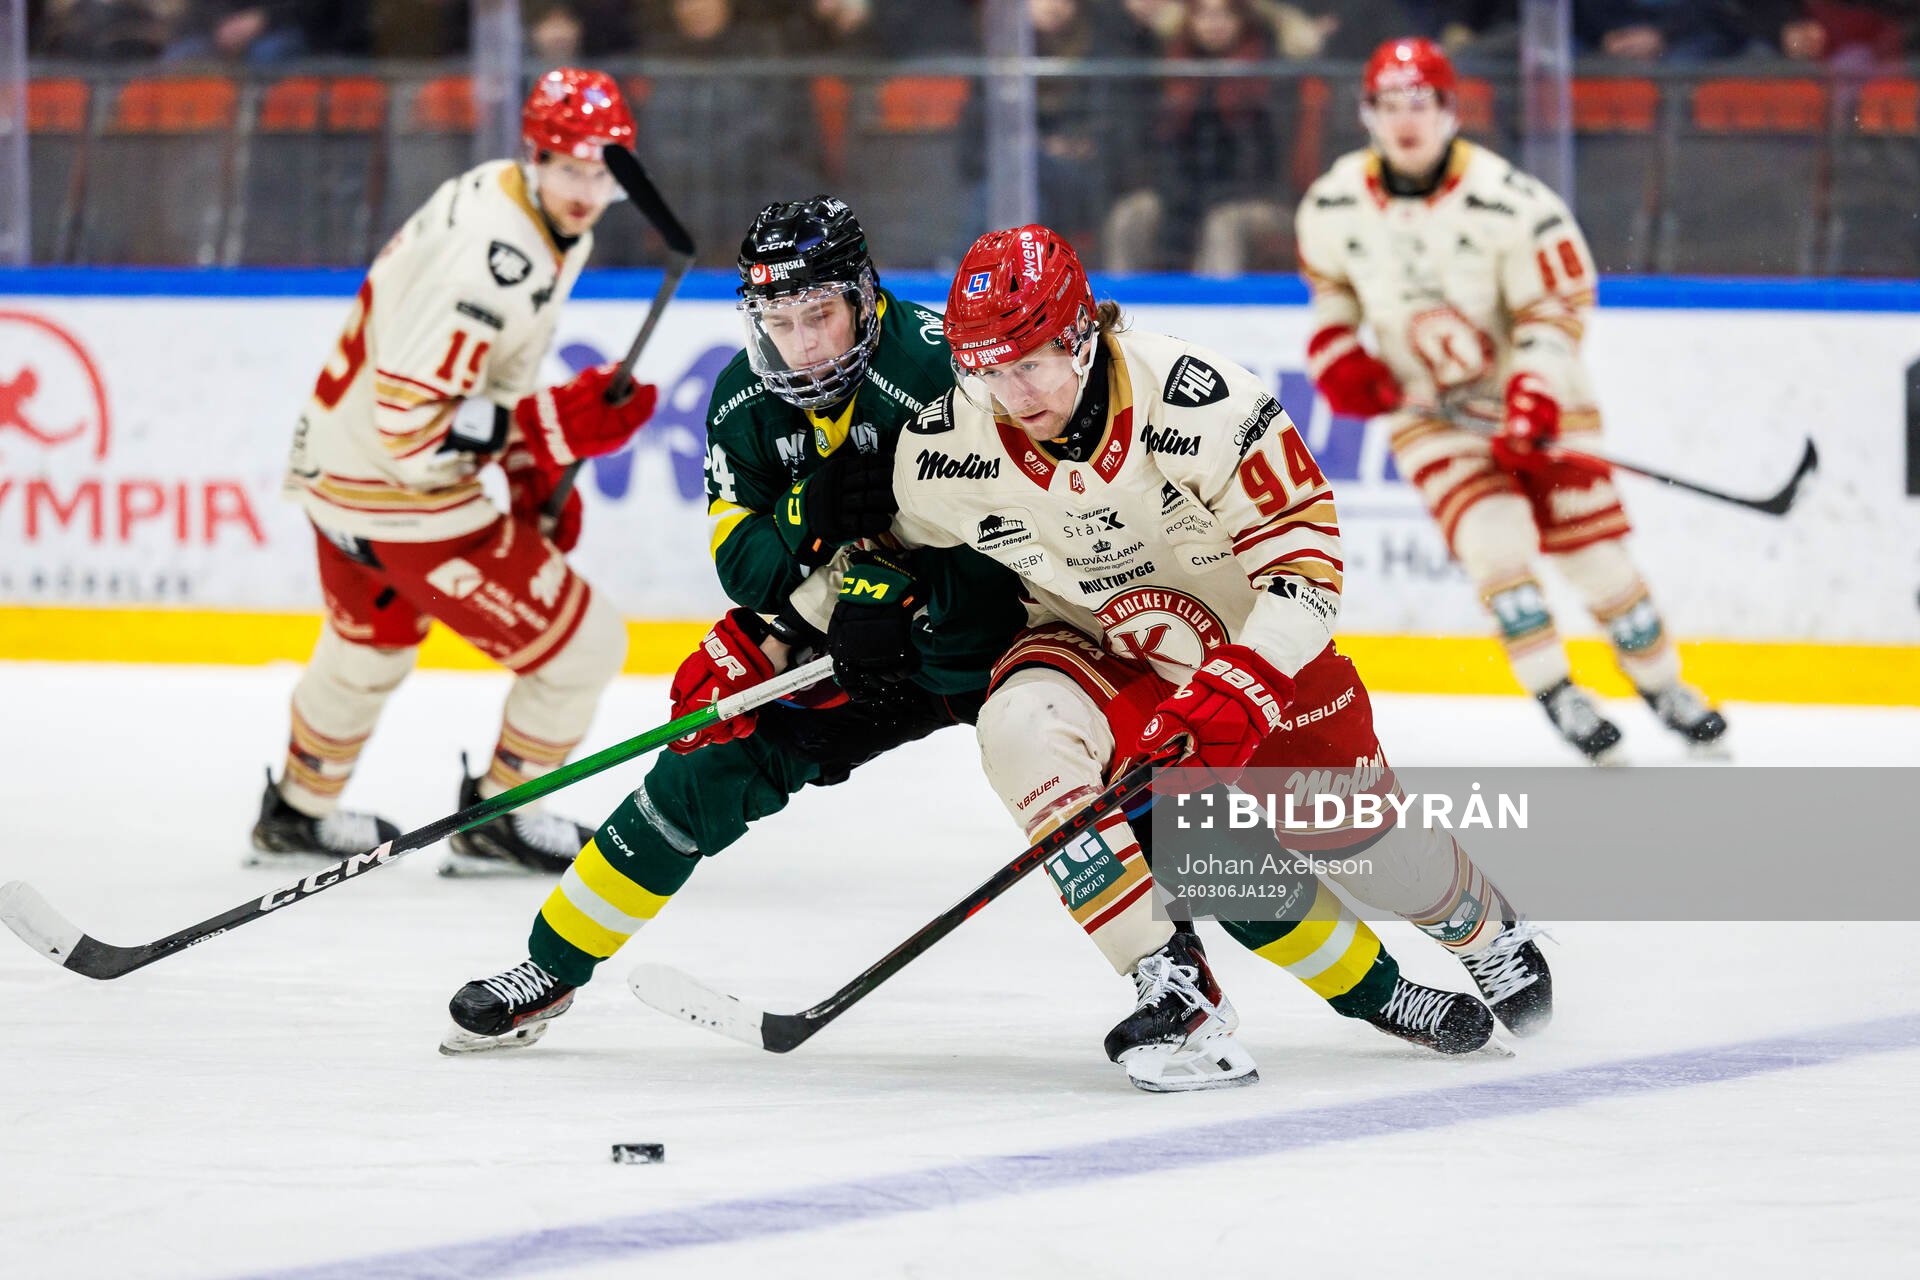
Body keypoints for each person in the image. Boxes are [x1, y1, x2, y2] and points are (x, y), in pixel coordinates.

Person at [872, 224, 1551, 1091]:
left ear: (1082, 332)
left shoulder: (1201, 400)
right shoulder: (942, 451)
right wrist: (814, 612)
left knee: (1371, 848)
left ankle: (1483, 925)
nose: (1011, 392)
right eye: (988, 368)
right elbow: (892, 556)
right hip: (1096, 653)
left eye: (1030, 361)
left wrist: (1244, 684)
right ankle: (1176, 995)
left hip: (1258, 649)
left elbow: (1307, 563)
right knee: (1020, 730)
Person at [438, 197, 1026, 1053]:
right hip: (845, 646)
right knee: (703, 761)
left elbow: (1011, 540)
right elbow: (744, 570)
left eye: (820, 314)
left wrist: (890, 599)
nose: (804, 344)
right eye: (779, 320)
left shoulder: (943, 370)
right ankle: (550, 967)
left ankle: (1194, 969)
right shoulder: (744, 393)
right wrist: (806, 514)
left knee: (1100, 773)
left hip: (985, 633)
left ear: (864, 294)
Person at [255, 69, 658, 874]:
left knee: (372, 646)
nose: (587, 190)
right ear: (535, 154)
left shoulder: (517, 201)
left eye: (604, 171)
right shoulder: (489, 258)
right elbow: (413, 433)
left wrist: (531, 468)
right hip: (393, 488)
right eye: (571, 168)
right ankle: (501, 817)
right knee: (584, 646)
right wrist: (542, 430)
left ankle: (296, 812)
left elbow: (487, 374)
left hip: (338, 465)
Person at [1296, 38, 1728, 762]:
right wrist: (1338, 356)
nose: (1407, 120)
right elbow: (1330, 298)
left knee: (1598, 564)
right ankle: (1557, 689)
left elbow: (1558, 305)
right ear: (1367, 113)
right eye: (1390, 104)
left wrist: (1533, 390)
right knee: (1494, 547)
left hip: (1540, 403)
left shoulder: (1513, 202)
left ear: (1450, 111)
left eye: (1421, 103)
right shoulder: (1333, 204)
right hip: (1432, 413)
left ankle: (1662, 685)